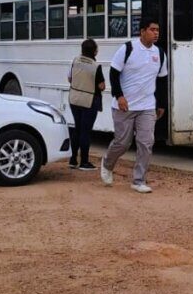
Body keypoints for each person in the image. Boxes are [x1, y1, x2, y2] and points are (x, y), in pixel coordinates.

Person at [100, 18, 168, 193]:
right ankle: (107, 163)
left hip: (147, 106)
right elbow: (113, 73)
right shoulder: (128, 48)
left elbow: (162, 81)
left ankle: (139, 180)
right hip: (125, 105)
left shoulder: (160, 53)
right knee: (122, 143)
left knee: (146, 143)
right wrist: (119, 96)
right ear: (142, 31)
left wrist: (161, 103)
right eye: (152, 29)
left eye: (157, 30)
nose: (156, 33)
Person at [67, 39, 105, 170]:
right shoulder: (96, 66)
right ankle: (84, 162)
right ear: (94, 51)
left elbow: (69, 78)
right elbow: (101, 86)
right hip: (89, 101)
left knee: (77, 129)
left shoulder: (75, 61)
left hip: (74, 99)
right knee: (85, 132)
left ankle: (73, 160)